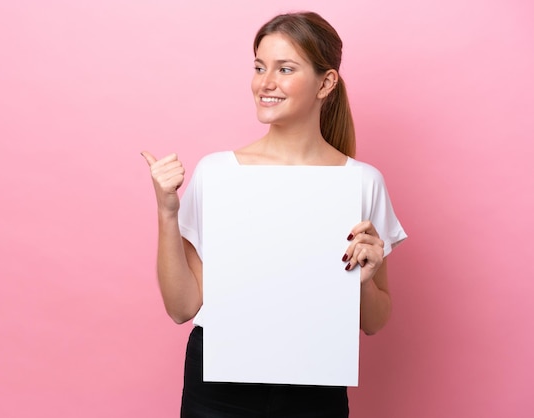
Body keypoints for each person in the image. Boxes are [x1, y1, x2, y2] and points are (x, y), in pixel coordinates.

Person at [142, 11, 407, 417]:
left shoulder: (362, 182)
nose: (265, 83)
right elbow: (182, 308)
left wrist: (365, 282)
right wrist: (166, 212)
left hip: (316, 381)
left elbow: (373, 321)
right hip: (219, 385)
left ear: (326, 82)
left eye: (285, 69)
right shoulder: (218, 173)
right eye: (259, 67)